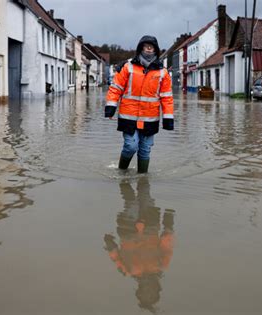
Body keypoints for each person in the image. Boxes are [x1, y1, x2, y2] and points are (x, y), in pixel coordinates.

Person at [104, 177, 175, 312]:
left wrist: (110, 245)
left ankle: (123, 178)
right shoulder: (161, 265)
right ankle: (140, 174)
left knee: (131, 203)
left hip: (128, 231)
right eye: (151, 291)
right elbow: (167, 244)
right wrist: (168, 224)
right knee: (145, 193)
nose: (148, 288)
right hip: (151, 227)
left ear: (139, 289)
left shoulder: (128, 271)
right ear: (157, 287)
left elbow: (116, 258)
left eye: (144, 291)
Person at [105, 35, 174, 173]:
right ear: (140, 48)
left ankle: (142, 180)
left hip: (150, 118)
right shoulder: (127, 67)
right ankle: (122, 172)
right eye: (146, 46)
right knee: (131, 146)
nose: (149, 49)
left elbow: (166, 97)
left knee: (145, 150)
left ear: (156, 50)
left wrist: (168, 118)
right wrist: (111, 107)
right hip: (128, 116)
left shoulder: (162, 72)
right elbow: (116, 87)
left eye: (152, 46)